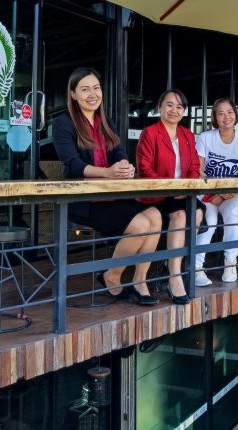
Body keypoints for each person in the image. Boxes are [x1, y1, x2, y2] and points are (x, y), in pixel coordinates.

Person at [53, 67, 161, 305]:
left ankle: (140, 280)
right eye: (85, 89)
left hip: (112, 196)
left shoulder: (104, 121)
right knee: (141, 225)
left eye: (96, 88)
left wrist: (125, 166)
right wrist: (108, 173)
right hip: (84, 200)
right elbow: (73, 165)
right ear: (73, 94)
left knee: (155, 215)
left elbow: (119, 151)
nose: (92, 94)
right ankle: (111, 276)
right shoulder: (63, 123)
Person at [136, 89, 202, 304]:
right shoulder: (150, 133)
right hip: (157, 193)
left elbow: (194, 167)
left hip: (183, 192)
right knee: (181, 216)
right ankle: (175, 275)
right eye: (170, 105)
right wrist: (172, 190)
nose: (174, 110)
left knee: (197, 213)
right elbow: (145, 169)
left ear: (184, 111)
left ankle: (173, 265)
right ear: (160, 107)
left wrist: (186, 188)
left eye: (179, 106)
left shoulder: (187, 135)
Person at [194, 98, 238, 286]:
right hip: (207, 192)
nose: (226, 117)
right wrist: (212, 193)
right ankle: (197, 268)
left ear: (236, 115)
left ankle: (230, 263)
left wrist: (224, 194)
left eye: (230, 112)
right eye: (221, 113)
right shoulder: (206, 137)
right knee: (208, 221)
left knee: (233, 215)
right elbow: (198, 171)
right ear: (215, 117)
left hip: (231, 193)